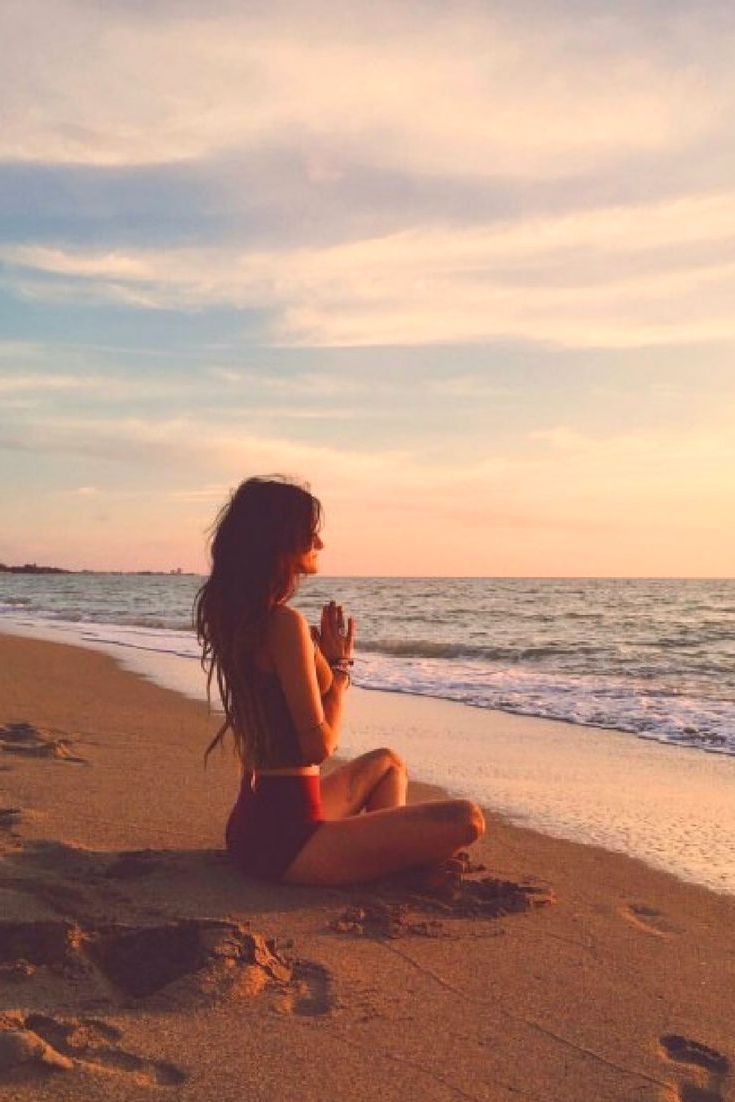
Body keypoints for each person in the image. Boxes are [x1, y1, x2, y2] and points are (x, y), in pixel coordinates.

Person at [195, 475, 485, 886]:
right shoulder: (283, 624)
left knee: (388, 763)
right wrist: (342, 673)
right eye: (311, 534)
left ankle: (387, 859)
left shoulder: (242, 620)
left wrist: (326, 663)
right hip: (288, 844)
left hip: (254, 825)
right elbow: (319, 746)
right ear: (282, 540)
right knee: (466, 819)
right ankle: (392, 866)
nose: (320, 544)